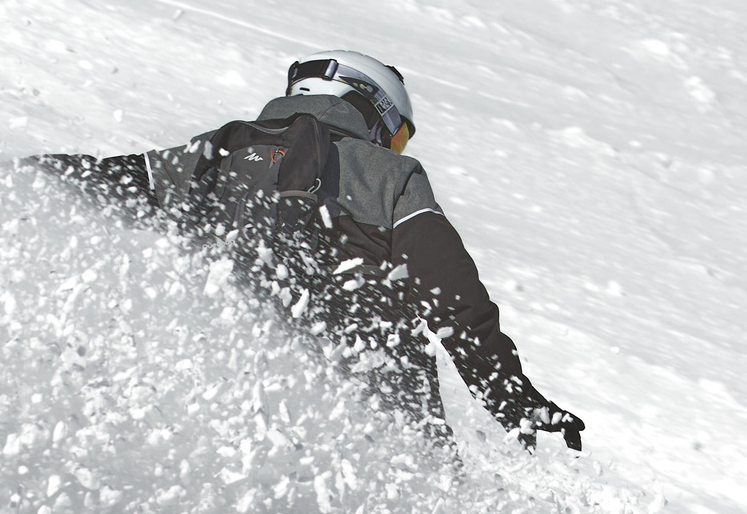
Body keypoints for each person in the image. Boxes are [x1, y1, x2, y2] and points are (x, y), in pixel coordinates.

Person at [29, 51, 584, 451]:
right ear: (373, 111)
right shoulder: (389, 174)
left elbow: (110, 181)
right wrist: (514, 402)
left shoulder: (217, 150)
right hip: (378, 405)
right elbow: (454, 300)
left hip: (229, 397)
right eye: (395, 133)